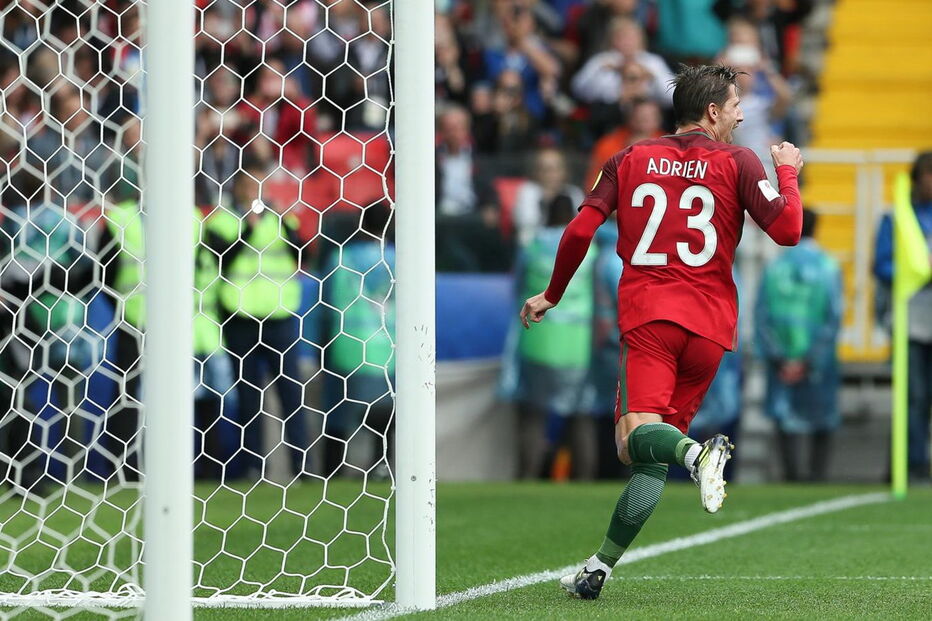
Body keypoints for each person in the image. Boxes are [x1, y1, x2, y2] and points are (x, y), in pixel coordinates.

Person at [519, 64, 803, 599]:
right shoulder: (741, 161)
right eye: (736, 105)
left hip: (651, 316)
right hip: (710, 327)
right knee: (652, 451)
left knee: (634, 441)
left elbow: (581, 228)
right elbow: (788, 230)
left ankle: (698, 456)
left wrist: (553, 292)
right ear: (713, 111)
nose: (742, 115)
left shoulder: (629, 158)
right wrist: (786, 171)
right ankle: (599, 568)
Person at [205, 159, 308, 479]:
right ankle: (254, 466)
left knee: (291, 394)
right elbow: (222, 260)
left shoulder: (281, 220)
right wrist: (248, 227)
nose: (255, 192)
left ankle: (302, 467)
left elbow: (304, 255)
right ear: (236, 188)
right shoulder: (222, 222)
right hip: (241, 319)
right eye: (249, 186)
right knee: (249, 396)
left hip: (279, 317)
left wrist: (285, 223)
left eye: (260, 186)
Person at [508, 195, 596, 479]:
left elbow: (517, 287)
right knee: (580, 413)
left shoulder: (531, 246)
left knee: (534, 412)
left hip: (538, 338)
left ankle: (527, 476)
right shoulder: (591, 250)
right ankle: (585, 481)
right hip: (577, 343)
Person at [755, 209, 842, 482]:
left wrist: (780, 359)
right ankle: (817, 476)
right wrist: (810, 360)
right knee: (822, 417)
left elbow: (761, 317)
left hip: (781, 360)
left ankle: (790, 475)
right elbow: (833, 318)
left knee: (784, 417)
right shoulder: (829, 267)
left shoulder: (774, 267)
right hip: (818, 363)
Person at [320, 202, 395, 478]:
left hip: (346, 346)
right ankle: (381, 466)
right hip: (388, 349)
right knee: (387, 415)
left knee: (337, 413)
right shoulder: (399, 260)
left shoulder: (340, 258)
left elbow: (325, 305)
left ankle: (332, 471)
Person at [873, 152, 932, 481]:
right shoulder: (897, 216)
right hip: (910, 319)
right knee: (913, 396)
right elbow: (882, 264)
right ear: (916, 179)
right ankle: (908, 463)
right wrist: (917, 270)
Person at [512, 147, 585, 247]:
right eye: (546, 170)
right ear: (537, 172)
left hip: (569, 247)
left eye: (556, 169)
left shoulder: (574, 193)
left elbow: (584, 227)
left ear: (565, 171)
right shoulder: (528, 192)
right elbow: (526, 229)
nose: (552, 174)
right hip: (534, 249)